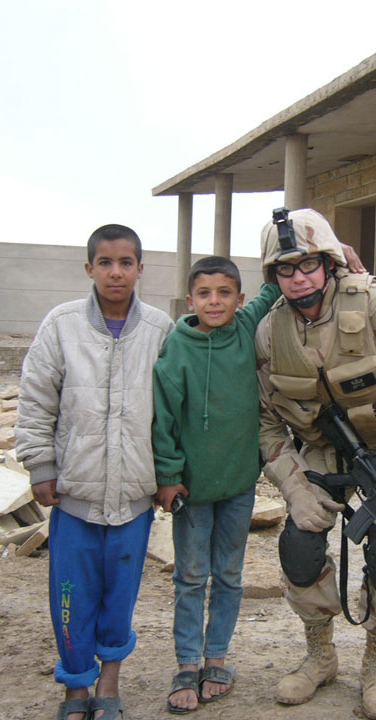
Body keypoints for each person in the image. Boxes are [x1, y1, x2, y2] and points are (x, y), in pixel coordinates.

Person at [254, 208, 376, 720]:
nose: (299, 279)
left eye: (308, 265)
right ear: (273, 275)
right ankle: (320, 655)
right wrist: (294, 489)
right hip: (322, 451)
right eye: (285, 269)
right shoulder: (270, 331)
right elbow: (268, 424)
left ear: (329, 262)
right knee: (299, 543)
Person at [16, 223, 174, 720]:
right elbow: (36, 398)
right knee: (71, 597)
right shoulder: (61, 324)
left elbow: (173, 411)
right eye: (105, 263)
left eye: (126, 263)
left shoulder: (160, 329)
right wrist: (40, 464)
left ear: (140, 269)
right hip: (75, 497)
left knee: (119, 597)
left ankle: (109, 681)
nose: (116, 272)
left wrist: (167, 474)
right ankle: (76, 686)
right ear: (90, 268)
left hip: (133, 498)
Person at [150, 256, 281, 714]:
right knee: (190, 576)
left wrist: (328, 248)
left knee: (229, 575)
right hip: (191, 490)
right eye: (204, 294)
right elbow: (163, 418)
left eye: (224, 293)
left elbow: (276, 284)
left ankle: (217, 657)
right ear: (190, 300)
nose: (214, 302)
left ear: (240, 299)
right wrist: (168, 477)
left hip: (239, 484)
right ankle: (187, 663)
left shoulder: (246, 328)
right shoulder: (177, 349)